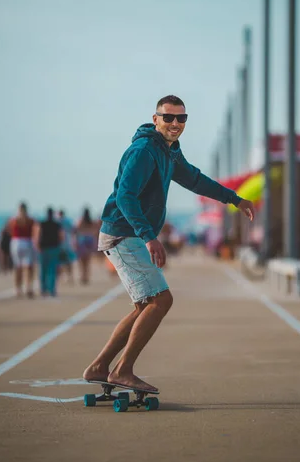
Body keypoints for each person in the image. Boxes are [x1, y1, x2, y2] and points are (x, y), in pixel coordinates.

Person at [83, 95, 255, 392]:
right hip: (124, 234)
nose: (175, 124)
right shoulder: (144, 150)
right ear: (156, 119)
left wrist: (234, 199)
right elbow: (125, 197)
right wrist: (150, 237)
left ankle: (99, 366)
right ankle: (122, 370)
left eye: (181, 118)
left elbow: (195, 180)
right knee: (161, 300)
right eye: (169, 118)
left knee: (144, 306)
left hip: (132, 234)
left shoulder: (169, 150)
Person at [33, 208, 63, 297]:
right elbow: (61, 236)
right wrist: (59, 245)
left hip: (43, 248)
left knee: (43, 270)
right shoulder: (57, 224)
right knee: (52, 270)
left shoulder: (41, 223)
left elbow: (37, 235)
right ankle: (52, 290)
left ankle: (43, 289)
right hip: (54, 248)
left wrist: (37, 246)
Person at [8, 203, 35, 298]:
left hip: (16, 242)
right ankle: (28, 287)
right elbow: (35, 231)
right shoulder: (30, 220)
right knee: (28, 267)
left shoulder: (14, 220)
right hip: (26, 242)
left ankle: (18, 289)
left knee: (18, 267)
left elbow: (9, 231)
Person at [75, 207, 97, 284]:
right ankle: (86, 276)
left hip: (82, 241)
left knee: (81, 261)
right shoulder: (91, 221)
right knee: (87, 261)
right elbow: (95, 230)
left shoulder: (81, 221)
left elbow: (76, 229)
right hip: (89, 241)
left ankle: (82, 276)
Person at [57, 209, 74, 283]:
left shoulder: (57, 221)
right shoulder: (67, 221)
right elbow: (72, 230)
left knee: (59, 262)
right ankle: (69, 276)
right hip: (67, 244)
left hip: (61, 245)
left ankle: (61, 277)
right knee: (68, 262)